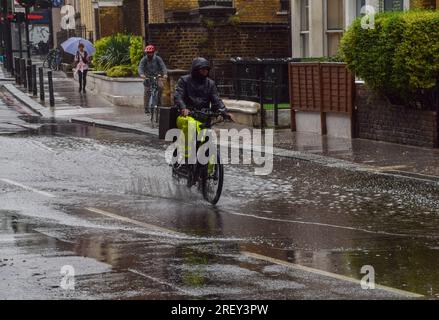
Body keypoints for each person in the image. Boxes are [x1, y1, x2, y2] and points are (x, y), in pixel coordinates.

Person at [138, 45, 168, 114]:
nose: (149, 54)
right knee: (147, 92)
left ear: (153, 52)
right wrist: (142, 74)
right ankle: (146, 108)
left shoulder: (158, 58)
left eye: (151, 52)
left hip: (157, 76)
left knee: (161, 87)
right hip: (147, 77)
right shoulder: (144, 59)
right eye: (148, 52)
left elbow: (163, 66)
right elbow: (140, 67)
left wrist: (165, 74)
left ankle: (159, 104)